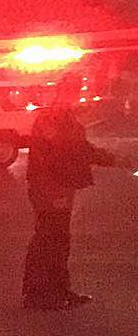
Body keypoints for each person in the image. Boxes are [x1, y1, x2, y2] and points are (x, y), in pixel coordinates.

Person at [22, 100, 127, 309]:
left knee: (57, 241)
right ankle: (41, 295)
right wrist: (55, 192)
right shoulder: (54, 122)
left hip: (57, 190)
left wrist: (113, 159)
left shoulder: (60, 120)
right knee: (50, 241)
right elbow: (69, 154)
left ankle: (57, 291)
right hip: (53, 191)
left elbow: (80, 151)